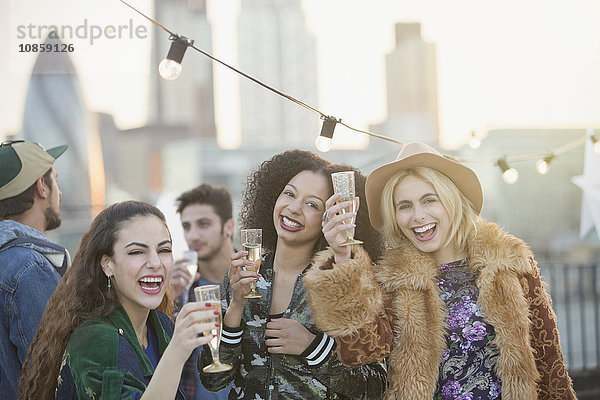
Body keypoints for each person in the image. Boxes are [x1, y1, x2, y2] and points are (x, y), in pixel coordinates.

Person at [303, 142, 577, 400]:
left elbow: (549, 362)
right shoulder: (389, 282)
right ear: (396, 218)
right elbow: (360, 352)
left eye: (429, 200)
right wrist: (341, 254)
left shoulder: (510, 264)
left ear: (451, 201)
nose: (418, 216)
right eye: (405, 206)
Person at [200, 150, 387, 399]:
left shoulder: (344, 281)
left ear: (330, 217)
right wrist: (235, 306)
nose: (294, 208)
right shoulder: (244, 274)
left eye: (312, 204)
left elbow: (374, 387)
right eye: (289, 193)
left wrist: (312, 347)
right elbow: (212, 380)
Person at [18, 201, 219, 400]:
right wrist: (176, 352)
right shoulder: (96, 340)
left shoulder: (161, 324)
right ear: (107, 264)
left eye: (164, 250)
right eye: (137, 252)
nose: (156, 263)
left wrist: (236, 306)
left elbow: (216, 380)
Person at [0, 140, 69, 399]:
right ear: (42, 186)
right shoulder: (29, 269)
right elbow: (55, 378)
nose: (59, 192)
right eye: (55, 180)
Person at [171, 183, 235, 400]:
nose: (193, 235)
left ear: (229, 227)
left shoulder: (257, 281)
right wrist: (168, 299)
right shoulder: (182, 290)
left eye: (204, 224)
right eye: (187, 227)